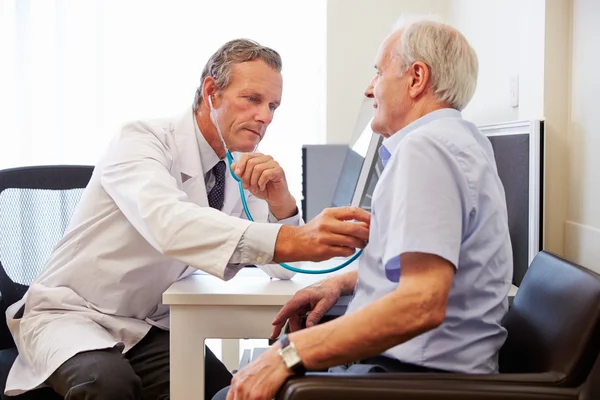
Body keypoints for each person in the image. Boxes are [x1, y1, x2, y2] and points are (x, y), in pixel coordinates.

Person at [3, 39, 370, 399]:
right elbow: (170, 223)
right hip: (72, 316)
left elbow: (281, 270)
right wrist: (299, 239)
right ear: (212, 92)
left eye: (273, 105)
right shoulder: (141, 140)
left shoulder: (236, 169)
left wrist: (282, 205)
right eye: (252, 99)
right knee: (107, 385)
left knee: (224, 391)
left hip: (143, 327)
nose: (265, 117)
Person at [214, 17, 513, 400]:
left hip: (412, 378)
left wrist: (287, 356)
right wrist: (343, 281)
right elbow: (432, 273)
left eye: (378, 72)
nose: (370, 88)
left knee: (235, 388)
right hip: (431, 369)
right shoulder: (460, 141)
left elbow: (422, 304)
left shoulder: (427, 151)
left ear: (416, 78)